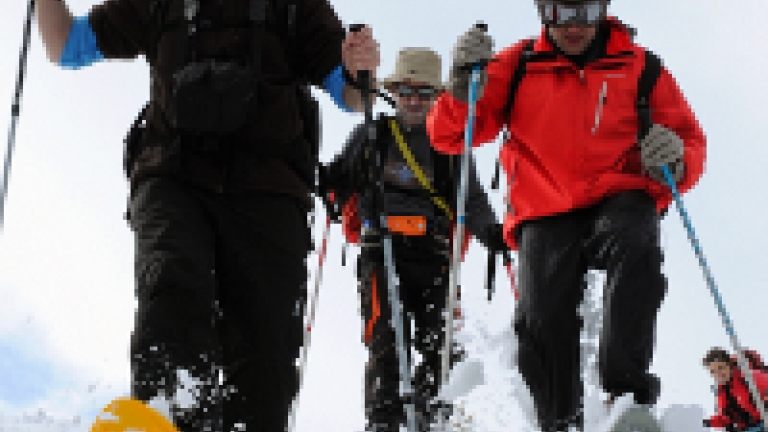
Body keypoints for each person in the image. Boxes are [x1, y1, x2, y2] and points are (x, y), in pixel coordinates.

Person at [34, 0, 379, 431]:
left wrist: (357, 70)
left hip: (269, 191)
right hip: (173, 177)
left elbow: (349, 93)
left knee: (265, 353)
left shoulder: (296, 7)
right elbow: (65, 45)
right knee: (174, 284)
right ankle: (166, 414)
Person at [427, 1, 707, 431]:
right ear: (542, 11)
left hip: (621, 191)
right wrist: (462, 90)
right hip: (544, 204)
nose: (573, 24)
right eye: (559, 12)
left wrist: (676, 159)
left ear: (604, 9)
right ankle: (559, 419)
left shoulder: (640, 67)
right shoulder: (517, 66)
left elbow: (688, 139)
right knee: (541, 313)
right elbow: (449, 137)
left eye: (586, 10)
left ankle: (626, 398)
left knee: (637, 249)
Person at [319, 47, 507, 432]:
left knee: (442, 345)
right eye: (406, 91)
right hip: (380, 247)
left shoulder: (452, 144)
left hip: (433, 251)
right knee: (385, 338)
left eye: (423, 92)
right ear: (394, 92)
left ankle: (432, 415)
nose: (413, 100)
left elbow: (471, 199)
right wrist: (326, 182)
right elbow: (338, 177)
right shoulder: (373, 133)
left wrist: (492, 232)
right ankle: (383, 422)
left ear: (437, 96)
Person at [703, 348, 768, 432]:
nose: (717, 374)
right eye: (713, 371)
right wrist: (712, 422)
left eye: (720, 368)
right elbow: (727, 417)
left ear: (729, 365)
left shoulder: (750, 377)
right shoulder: (723, 391)